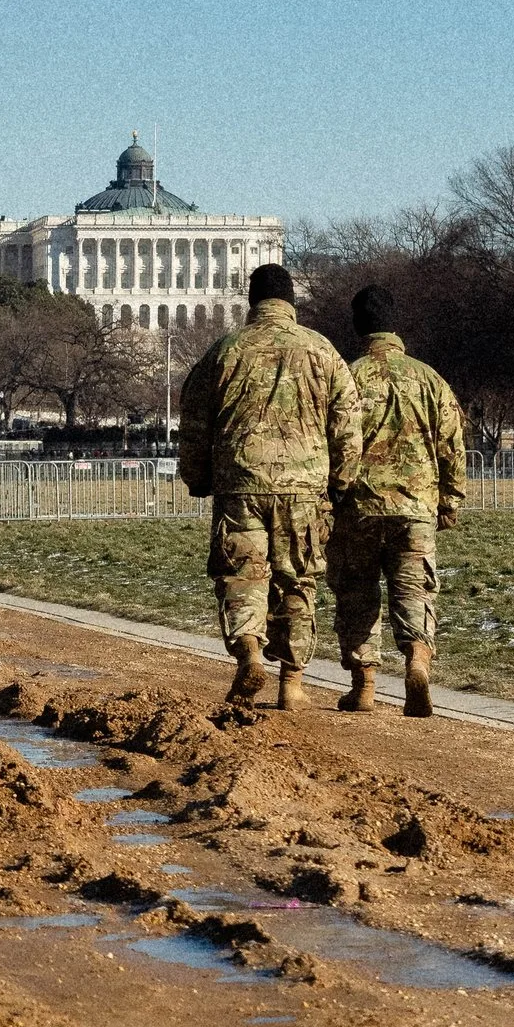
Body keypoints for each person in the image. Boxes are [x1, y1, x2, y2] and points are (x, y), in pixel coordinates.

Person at [176, 262, 359, 709]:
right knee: (298, 581)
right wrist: (340, 482)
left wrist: (198, 477)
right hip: (304, 487)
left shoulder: (224, 351)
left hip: (241, 483)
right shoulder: (322, 351)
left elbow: (195, 424)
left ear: (252, 301)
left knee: (242, 577)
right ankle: (292, 683)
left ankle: (249, 654)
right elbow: (348, 424)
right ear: (291, 302)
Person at [329, 286, 467, 719]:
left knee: (357, 593)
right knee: (414, 590)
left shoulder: (347, 377)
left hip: (358, 508)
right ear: (395, 323)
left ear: (358, 326)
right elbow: (452, 446)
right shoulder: (430, 379)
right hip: (416, 508)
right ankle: (417, 664)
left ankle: (364, 684)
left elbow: (333, 441)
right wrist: (450, 499)